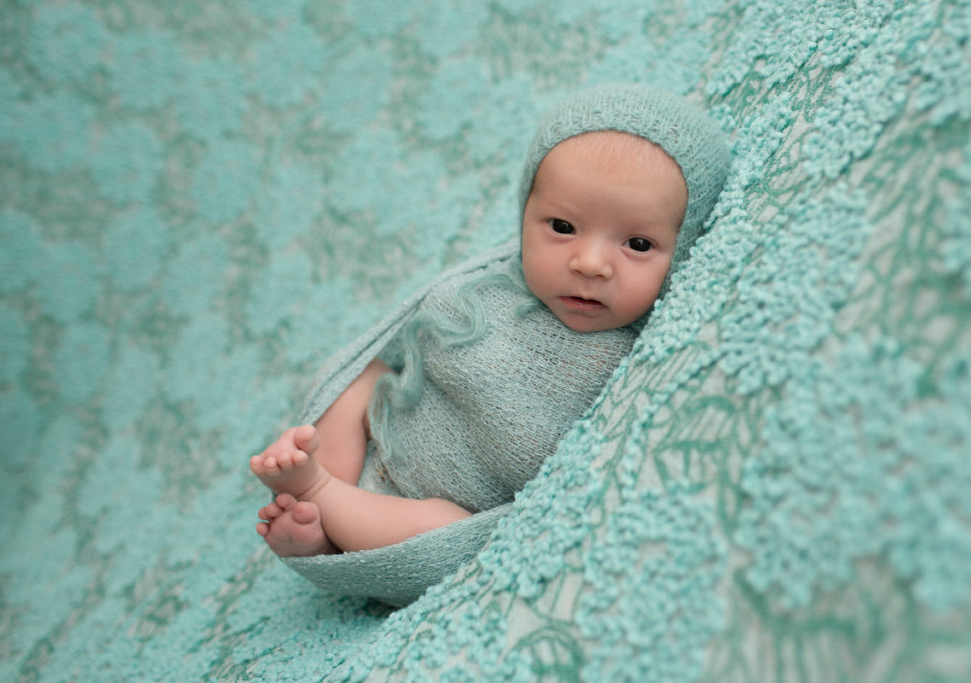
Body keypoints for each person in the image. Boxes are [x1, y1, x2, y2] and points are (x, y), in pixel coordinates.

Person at [250, 83, 731, 556]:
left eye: (638, 245)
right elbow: (410, 344)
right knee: (359, 374)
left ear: (683, 248)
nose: (590, 263)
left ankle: (319, 499)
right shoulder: (492, 285)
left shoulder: (641, 353)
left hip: (428, 509)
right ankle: (324, 494)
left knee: (444, 533)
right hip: (385, 435)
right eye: (562, 228)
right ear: (525, 214)